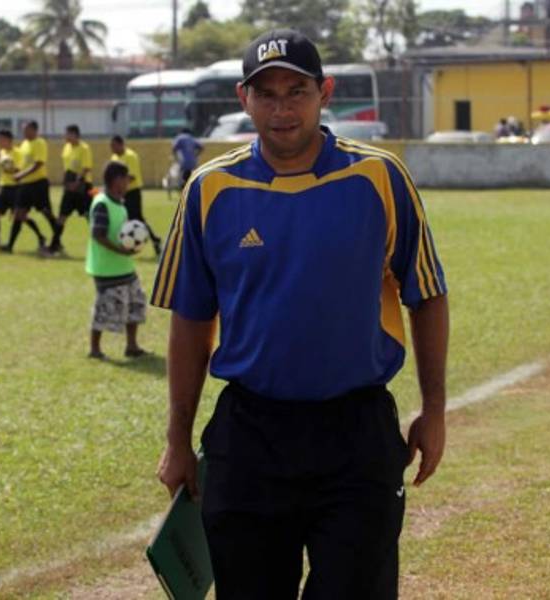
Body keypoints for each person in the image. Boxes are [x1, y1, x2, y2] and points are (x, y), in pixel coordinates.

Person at [153, 28, 449, 600]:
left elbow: (427, 294)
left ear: (325, 92)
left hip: (356, 435)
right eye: (267, 94)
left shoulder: (379, 178)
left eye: (297, 91)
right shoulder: (209, 190)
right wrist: (178, 439)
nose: (282, 108)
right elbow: (191, 320)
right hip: (249, 437)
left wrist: (434, 409)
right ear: (243, 98)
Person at [86, 161, 147, 360]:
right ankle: (94, 349)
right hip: (107, 268)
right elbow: (98, 235)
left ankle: (132, 346)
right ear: (116, 180)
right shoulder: (102, 203)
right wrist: (121, 250)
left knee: (135, 303)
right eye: (125, 180)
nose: (127, 184)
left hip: (124, 266)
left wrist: (128, 249)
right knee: (105, 308)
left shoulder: (119, 202)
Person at [4, 120, 59, 253]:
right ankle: (10, 246)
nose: (24, 132)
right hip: (25, 185)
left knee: (46, 213)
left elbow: (38, 164)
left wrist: (20, 175)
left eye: (26, 129)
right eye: (23, 129)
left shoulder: (39, 143)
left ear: (34, 130)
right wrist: (14, 170)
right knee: (19, 214)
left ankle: (57, 242)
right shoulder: (24, 144)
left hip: (38, 183)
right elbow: (23, 164)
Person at [0, 129, 46, 251]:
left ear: (8, 140)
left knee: (21, 217)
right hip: (4, 187)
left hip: (16, 188)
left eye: (1, 139)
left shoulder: (18, 153)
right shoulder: (2, 152)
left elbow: (20, 171)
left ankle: (41, 237)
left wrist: (9, 166)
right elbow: (2, 162)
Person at [110, 135, 163, 256]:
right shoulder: (114, 158)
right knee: (123, 218)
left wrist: (118, 185)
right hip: (120, 193)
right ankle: (125, 244)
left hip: (132, 192)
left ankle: (155, 241)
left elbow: (131, 177)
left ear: (120, 144)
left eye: (114, 146)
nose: (112, 148)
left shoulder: (130, 156)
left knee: (137, 218)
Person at [48, 124, 93, 255]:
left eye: (68, 134)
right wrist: (67, 183)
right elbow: (68, 168)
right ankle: (54, 246)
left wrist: (77, 183)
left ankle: (104, 243)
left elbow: (86, 168)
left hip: (83, 188)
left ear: (75, 134)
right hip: (69, 189)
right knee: (61, 217)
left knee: (90, 217)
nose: (65, 136)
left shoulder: (84, 148)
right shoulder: (66, 147)